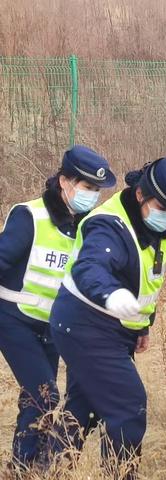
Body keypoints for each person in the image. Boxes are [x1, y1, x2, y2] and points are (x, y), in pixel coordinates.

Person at [49, 156, 166, 478]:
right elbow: (91, 267)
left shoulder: (151, 222)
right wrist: (112, 294)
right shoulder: (107, 224)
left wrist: (142, 324)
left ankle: (46, 469)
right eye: (164, 207)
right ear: (141, 194)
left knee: (83, 407)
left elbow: (147, 278)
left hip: (112, 326)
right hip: (86, 323)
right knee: (129, 406)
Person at [0, 145, 116, 472]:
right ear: (64, 181)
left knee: (35, 399)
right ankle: (25, 468)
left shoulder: (84, 227)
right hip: (13, 320)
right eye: (85, 187)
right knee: (46, 396)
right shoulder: (29, 216)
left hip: (50, 329)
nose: (91, 195)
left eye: (96, 190)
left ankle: (24, 468)